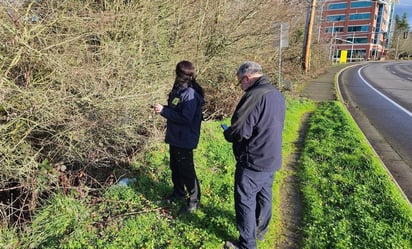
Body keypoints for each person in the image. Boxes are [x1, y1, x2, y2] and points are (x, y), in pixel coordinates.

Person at [223, 61, 285, 249]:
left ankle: (247, 245)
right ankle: (260, 232)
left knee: (245, 201)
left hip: (253, 160)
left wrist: (228, 133)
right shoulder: (276, 94)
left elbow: (241, 131)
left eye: (239, 82)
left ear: (247, 78)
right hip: (271, 156)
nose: (240, 86)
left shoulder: (253, 96)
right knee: (264, 196)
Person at [153, 60, 204, 213]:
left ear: (179, 74)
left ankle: (194, 201)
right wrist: (163, 109)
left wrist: (164, 111)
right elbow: (175, 110)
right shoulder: (178, 90)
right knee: (175, 168)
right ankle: (178, 193)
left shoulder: (190, 94)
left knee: (187, 171)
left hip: (185, 139)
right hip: (175, 137)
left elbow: (185, 118)